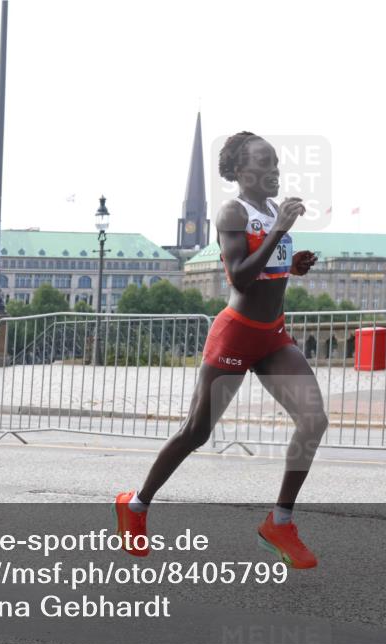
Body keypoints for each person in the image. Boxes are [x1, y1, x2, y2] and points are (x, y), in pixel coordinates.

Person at [114, 131, 327, 569]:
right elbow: (241, 278)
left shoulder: (270, 210)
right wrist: (280, 231)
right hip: (236, 334)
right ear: (240, 171)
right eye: (264, 164)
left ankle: (280, 521)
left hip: (272, 336)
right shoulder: (234, 211)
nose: (274, 172)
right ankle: (136, 505)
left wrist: (294, 260)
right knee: (197, 431)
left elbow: (268, 267)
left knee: (313, 419)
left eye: (276, 164)